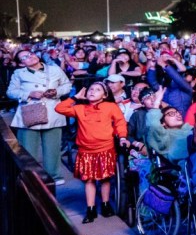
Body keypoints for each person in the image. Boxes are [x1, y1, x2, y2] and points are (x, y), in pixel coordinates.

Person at [55, 82, 128, 222]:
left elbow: (120, 122)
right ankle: (90, 209)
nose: (92, 91)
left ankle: (105, 204)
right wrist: (75, 98)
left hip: (105, 147)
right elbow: (59, 108)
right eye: (91, 89)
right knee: (89, 179)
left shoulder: (111, 106)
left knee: (105, 178)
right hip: (86, 150)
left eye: (98, 90)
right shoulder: (79, 108)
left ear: (105, 95)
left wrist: (123, 137)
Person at [7, 47, 73, 184]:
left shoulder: (54, 69)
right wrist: (28, 94)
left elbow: (67, 86)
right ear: (21, 63)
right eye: (24, 57)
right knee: (28, 149)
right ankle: (31, 178)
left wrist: (56, 92)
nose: (29, 57)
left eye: (30, 54)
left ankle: (54, 176)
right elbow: (11, 92)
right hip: (30, 112)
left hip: (53, 111)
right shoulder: (19, 73)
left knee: (53, 147)